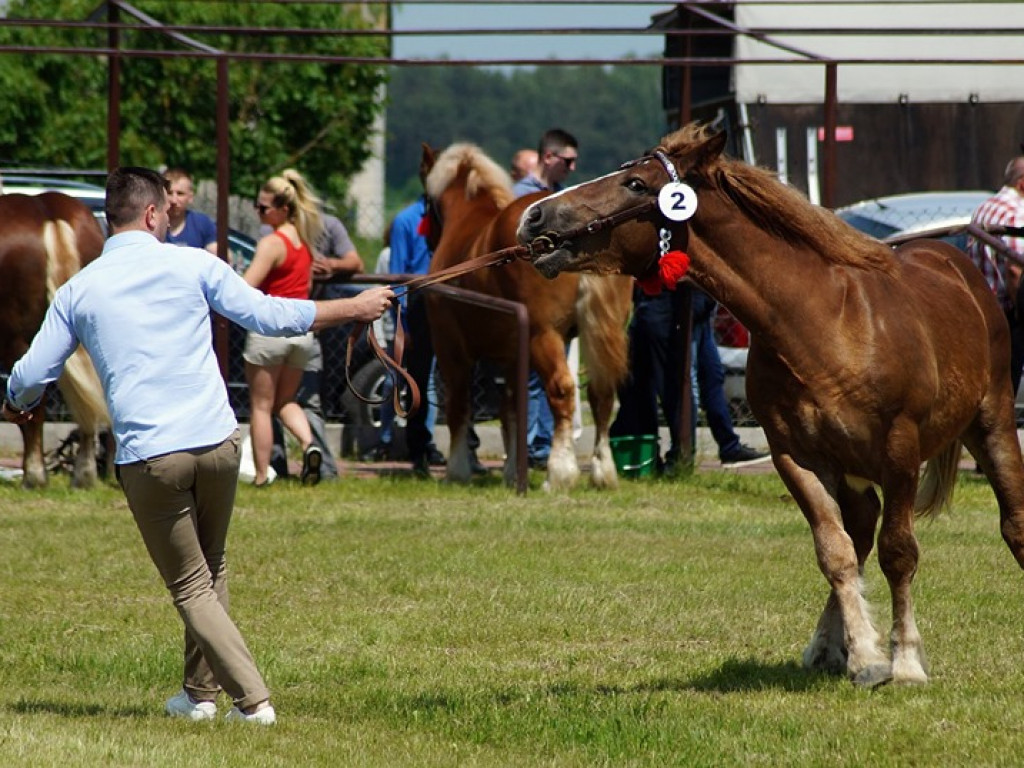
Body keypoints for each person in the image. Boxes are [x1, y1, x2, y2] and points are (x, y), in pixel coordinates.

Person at [1, 166, 394, 724]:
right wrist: (352, 308)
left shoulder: (78, 291)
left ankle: (253, 703)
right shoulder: (194, 264)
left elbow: (34, 373)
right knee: (211, 570)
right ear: (155, 214)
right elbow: (268, 314)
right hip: (218, 443)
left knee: (190, 585)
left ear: (109, 219)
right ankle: (198, 696)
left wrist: (15, 395)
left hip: (151, 456)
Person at [610, 284, 768, 473]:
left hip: (698, 308)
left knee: (712, 376)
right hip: (671, 307)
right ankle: (680, 456)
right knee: (679, 387)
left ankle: (729, 447)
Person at [243, 168, 325, 487]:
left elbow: (248, 286)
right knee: (286, 401)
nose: (258, 211)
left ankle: (262, 476)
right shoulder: (304, 243)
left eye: (263, 208)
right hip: (302, 332)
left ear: (283, 209)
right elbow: (306, 283)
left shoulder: (271, 244)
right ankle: (309, 444)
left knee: (261, 406)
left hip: (270, 329)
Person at [512, 129, 580, 469]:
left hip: (557, 299)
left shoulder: (562, 197)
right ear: (549, 157)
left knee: (554, 374)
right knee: (530, 378)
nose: (572, 167)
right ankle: (527, 447)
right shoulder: (519, 198)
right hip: (529, 301)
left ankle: (542, 445)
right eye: (567, 160)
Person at [966, 156, 1024, 394]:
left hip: (979, 309)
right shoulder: (1016, 214)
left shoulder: (984, 208)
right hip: (1006, 315)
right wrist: (1021, 313)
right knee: (1005, 389)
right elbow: (1015, 270)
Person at [163, 168, 218, 254]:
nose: (174, 200)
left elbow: (219, 256)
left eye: (180, 194)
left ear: (190, 197)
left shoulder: (202, 224)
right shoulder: (151, 224)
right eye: (169, 193)